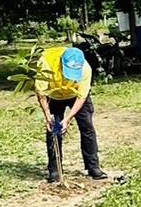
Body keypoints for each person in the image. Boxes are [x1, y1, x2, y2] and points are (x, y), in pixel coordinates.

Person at [34, 43, 107, 183]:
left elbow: (82, 97)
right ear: (62, 63)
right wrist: (47, 115)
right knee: (54, 130)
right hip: (54, 96)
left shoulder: (85, 68)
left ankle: (93, 167)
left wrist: (68, 119)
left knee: (87, 127)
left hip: (75, 95)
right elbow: (41, 93)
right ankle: (55, 170)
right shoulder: (46, 63)